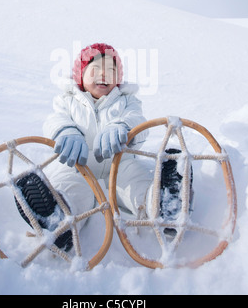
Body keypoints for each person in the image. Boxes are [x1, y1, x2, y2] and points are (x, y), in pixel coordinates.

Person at [15, 43, 190, 250]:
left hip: (120, 163)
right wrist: (66, 131)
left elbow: (138, 122)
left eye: (111, 70)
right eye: (95, 70)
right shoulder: (67, 100)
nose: (104, 75)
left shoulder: (127, 101)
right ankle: (58, 220)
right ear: (81, 75)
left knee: (136, 185)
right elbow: (55, 120)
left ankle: (164, 205)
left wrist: (123, 127)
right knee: (73, 189)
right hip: (77, 164)